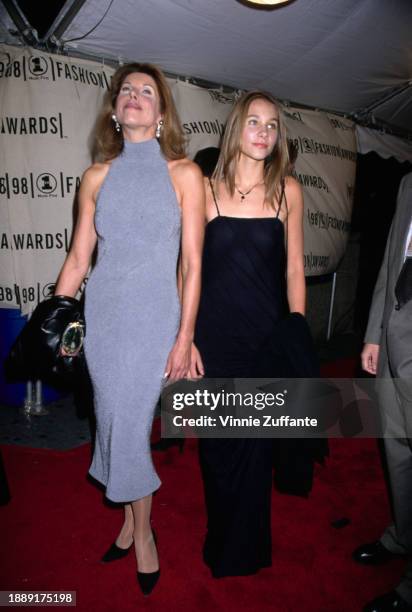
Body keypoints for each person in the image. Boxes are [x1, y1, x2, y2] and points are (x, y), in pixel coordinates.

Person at [54, 62, 204, 595]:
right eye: (126, 91)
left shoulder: (185, 174)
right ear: (116, 111)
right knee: (115, 421)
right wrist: (54, 318)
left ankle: (143, 534)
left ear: (162, 114)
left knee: (131, 423)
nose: (135, 96)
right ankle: (130, 522)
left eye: (147, 91)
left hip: (154, 318)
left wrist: (185, 336)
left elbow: (191, 263)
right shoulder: (95, 176)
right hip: (106, 319)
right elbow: (78, 259)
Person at [192, 90, 324, 578]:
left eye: (272, 125)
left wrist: (296, 331)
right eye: (254, 122)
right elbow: (191, 268)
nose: (264, 132)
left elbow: (293, 269)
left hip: (267, 337)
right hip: (214, 336)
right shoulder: (204, 189)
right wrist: (185, 336)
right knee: (217, 446)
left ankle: (244, 551)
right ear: (235, 128)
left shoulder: (288, 189)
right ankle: (221, 534)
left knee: (255, 446)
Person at [353, 172, 412, 612]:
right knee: (397, 451)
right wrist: (374, 332)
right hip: (395, 340)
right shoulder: (409, 182)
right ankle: (402, 536)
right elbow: (393, 261)